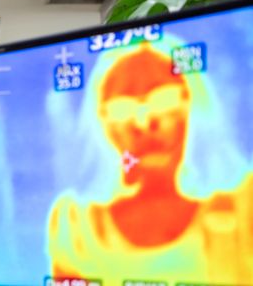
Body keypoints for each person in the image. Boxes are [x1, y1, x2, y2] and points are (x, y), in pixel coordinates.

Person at [47, 43, 253, 284]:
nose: (144, 123)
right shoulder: (73, 223)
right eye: (122, 108)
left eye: (162, 99)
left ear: (192, 101)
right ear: (103, 121)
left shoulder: (245, 201)